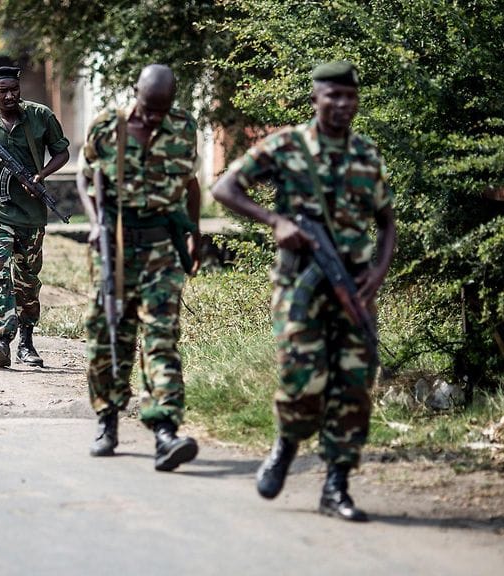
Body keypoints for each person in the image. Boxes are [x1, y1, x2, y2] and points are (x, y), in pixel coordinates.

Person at [211, 61, 396, 521]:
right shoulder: (287, 147)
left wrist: (378, 271)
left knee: (353, 384)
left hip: (353, 285)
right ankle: (287, 445)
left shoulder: (367, 156)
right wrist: (277, 221)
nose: (341, 105)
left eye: (349, 97)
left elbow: (388, 222)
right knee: (302, 379)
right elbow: (224, 187)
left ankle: (337, 485)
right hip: (300, 285)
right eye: (332, 96)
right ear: (315, 99)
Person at [75, 64, 202, 472]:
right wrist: (95, 223)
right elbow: (84, 176)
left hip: (161, 247)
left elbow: (191, 184)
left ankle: (165, 430)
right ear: (135, 93)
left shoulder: (183, 127)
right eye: (149, 108)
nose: (154, 118)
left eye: (162, 109)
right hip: (114, 244)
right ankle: (107, 419)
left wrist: (193, 233)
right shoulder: (107, 127)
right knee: (108, 330)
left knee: (161, 337)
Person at [0, 66, 70, 369]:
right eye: (3, 91)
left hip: (31, 211)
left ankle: (26, 340)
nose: (10, 95)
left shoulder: (40, 116)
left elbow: (62, 152)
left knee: (27, 280)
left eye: (14, 89)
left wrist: (42, 175)